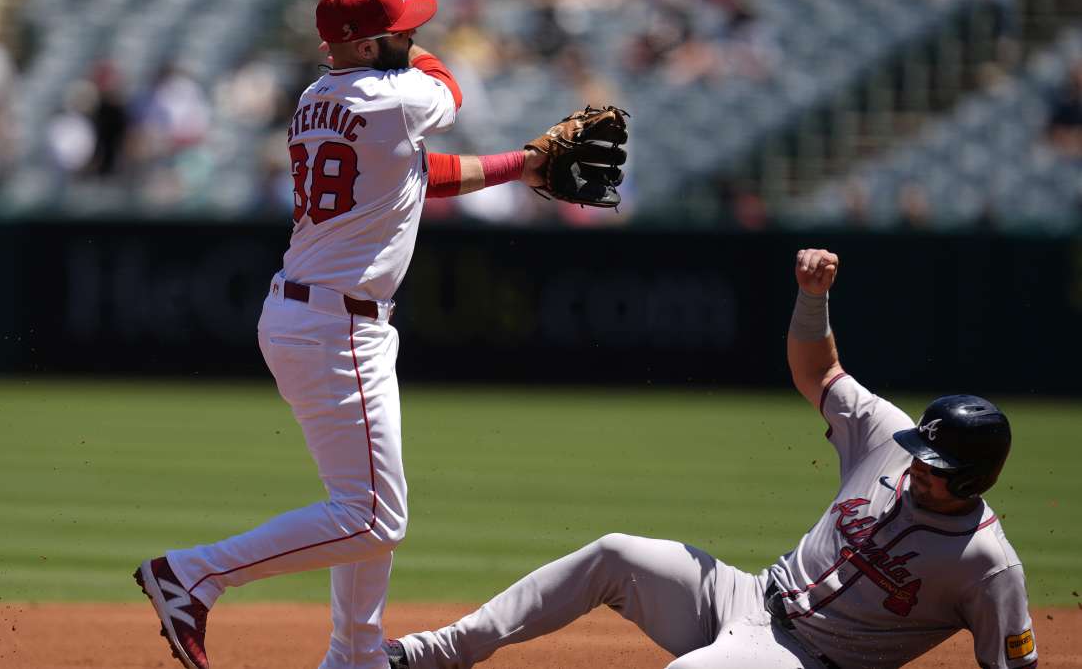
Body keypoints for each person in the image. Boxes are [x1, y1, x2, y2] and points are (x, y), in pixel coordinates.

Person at [133, 0, 551, 669]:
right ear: (362, 44)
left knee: (362, 505)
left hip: (314, 316)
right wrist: (419, 60)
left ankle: (356, 654)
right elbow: (447, 84)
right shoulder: (397, 95)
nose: (413, 38)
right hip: (336, 325)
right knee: (376, 516)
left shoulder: (314, 99)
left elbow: (420, 176)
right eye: (399, 30)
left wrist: (523, 164)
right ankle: (193, 575)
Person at [386, 248, 1038, 669]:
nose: (916, 466)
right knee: (615, 552)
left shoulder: (987, 565)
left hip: (806, 657)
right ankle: (430, 656)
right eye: (919, 452)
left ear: (974, 479)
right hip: (747, 595)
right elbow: (820, 370)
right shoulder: (885, 437)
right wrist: (813, 297)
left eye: (934, 465)